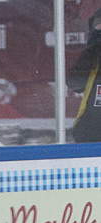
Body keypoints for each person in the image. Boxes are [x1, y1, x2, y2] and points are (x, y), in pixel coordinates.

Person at [67, 8, 101, 143]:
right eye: (98, 26)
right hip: (90, 137)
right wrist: (92, 51)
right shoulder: (94, 60)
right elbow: (74, 84)